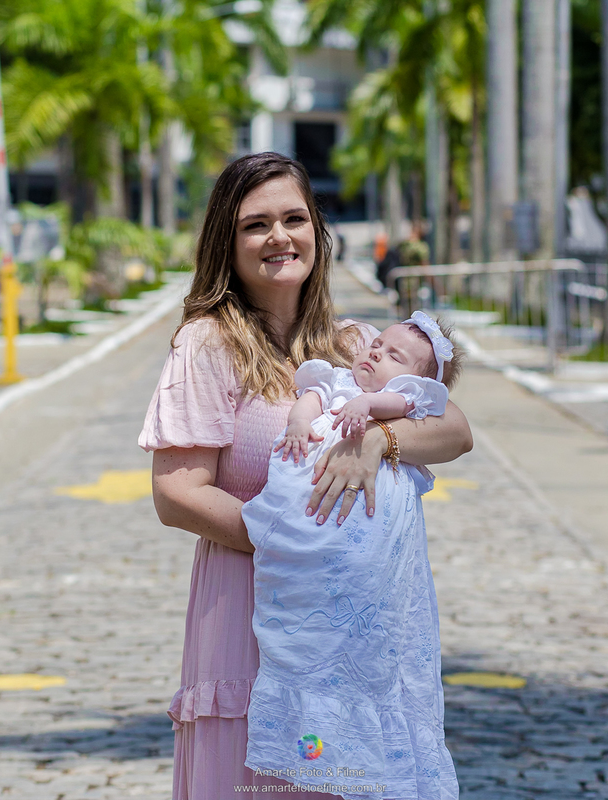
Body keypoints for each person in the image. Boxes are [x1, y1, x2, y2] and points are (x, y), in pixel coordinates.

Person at [139, 152, 473, 800]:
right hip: (249, 603)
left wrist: (380, 440)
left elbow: (454, 427)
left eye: (295, 218)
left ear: (318, 232)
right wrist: (295, 542)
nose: (279, 237)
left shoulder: (353, 343)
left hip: (343, 627)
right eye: (255, 224)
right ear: (226, 243)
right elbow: (175, 494)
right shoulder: (207, 345)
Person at [242, 311, 464, 799]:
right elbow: (309, 399)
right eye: (377, 345)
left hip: (363, 538)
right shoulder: (338, 374)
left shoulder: (403, 400)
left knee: (360, 636)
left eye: (392, 355)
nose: (375, 352)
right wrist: (302, 419)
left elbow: (446, 425)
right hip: (306, 520)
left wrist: (372, 423)